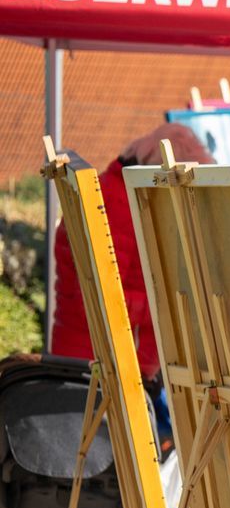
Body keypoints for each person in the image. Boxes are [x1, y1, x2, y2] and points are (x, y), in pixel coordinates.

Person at [50, 124, 213, 380]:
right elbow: (101, 299)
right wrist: (170, 308)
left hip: (101, 361)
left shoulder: (113, 191)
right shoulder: (117, 205)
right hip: (99, 368)